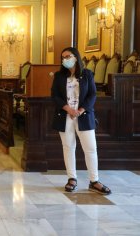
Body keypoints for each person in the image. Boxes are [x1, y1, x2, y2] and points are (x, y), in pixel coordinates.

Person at [51, 47, 111, 195]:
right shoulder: (59, 76)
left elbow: (92, 95)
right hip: (65, 116)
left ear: (76, 57)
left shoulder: (87, 74)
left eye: (68, 56)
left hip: (84, 115)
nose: (65, 59)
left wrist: (80, 110)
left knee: (90, 148)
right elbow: (55, 95)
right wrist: (69, 109)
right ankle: (72, 178)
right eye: (63, 57)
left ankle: (94, 181)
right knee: (68, 147)